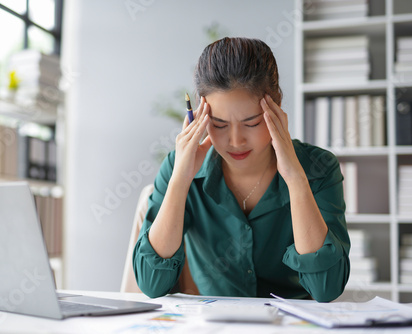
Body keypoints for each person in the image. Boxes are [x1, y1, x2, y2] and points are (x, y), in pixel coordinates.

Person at [133, 37, 350, 302]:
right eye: (219, 124)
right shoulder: (179, 167)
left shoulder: (319, 168)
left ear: (276, 110)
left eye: (251, 123)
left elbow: (326, 289)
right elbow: (151, 283)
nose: (235, 141)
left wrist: (295, 178)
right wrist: (181, 179)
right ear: (199, 119)